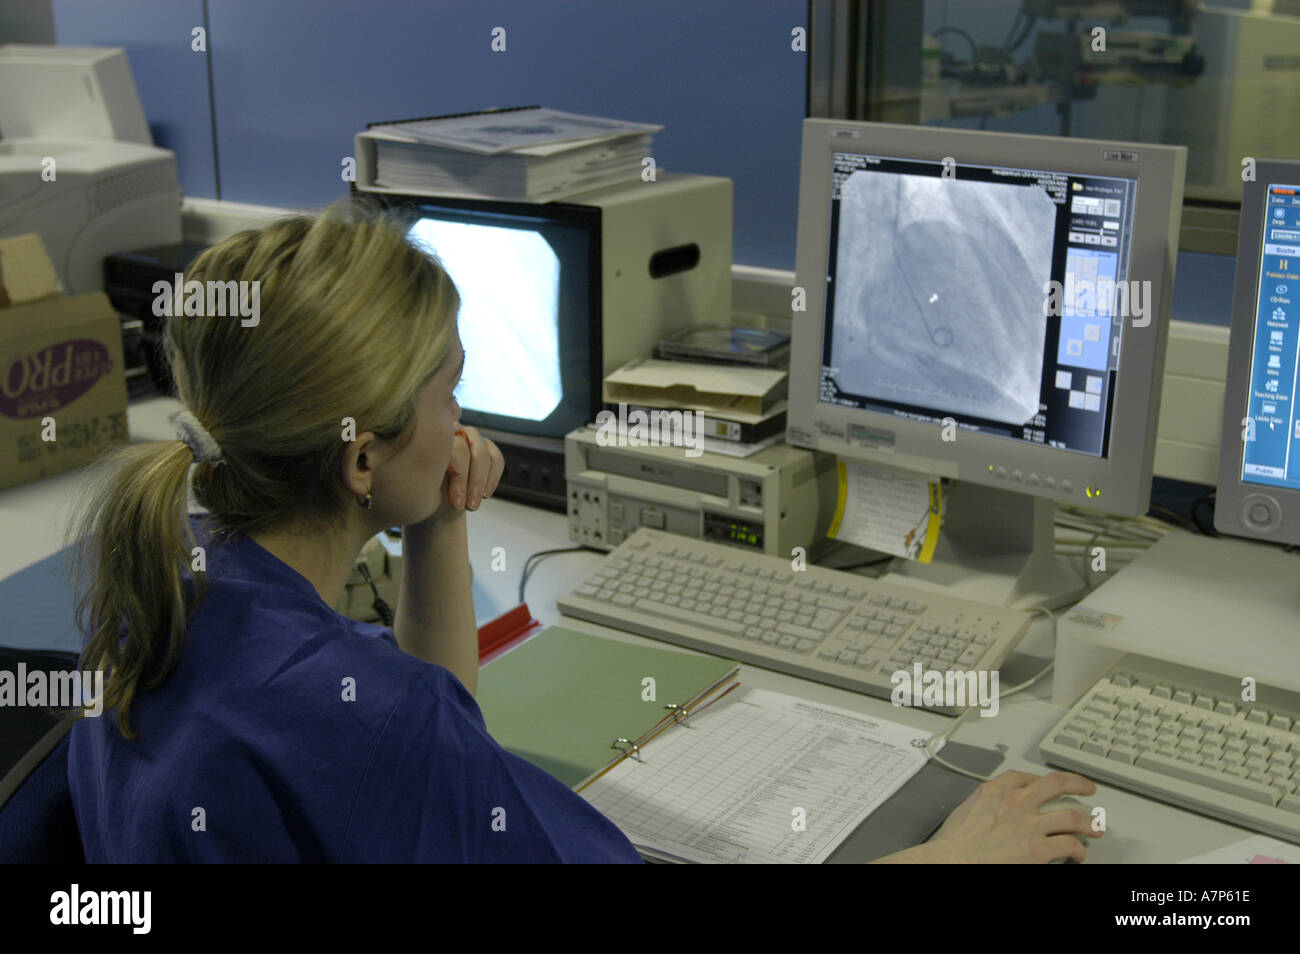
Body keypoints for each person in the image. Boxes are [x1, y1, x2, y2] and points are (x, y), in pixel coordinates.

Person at [65, 203, 1102, 863]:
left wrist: (437, 531)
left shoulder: (153, 595)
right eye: (447, 390)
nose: (461, 418)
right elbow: (423, 749)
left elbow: (438, 743)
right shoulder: (371, 721)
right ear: (362, 461)